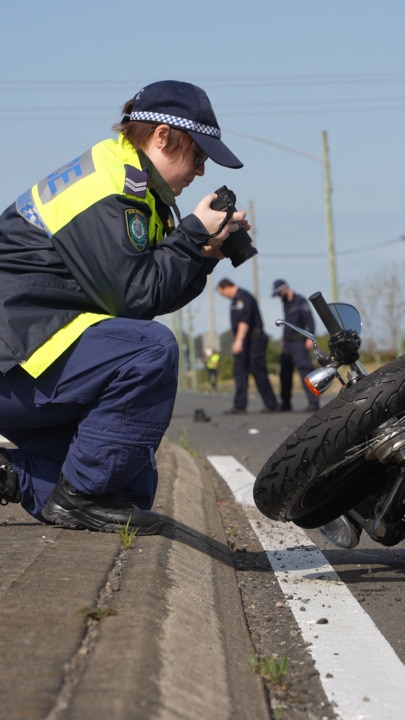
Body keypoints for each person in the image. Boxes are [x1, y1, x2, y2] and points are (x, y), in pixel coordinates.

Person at [0, 79, 248, 534]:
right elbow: (134, 300)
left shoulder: (137, 187)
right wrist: (192, 233)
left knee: (128, 484)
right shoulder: (109, 185)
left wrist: (203, 256)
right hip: (16, 360)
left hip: (32, 358)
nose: (200, 172)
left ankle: (11, 476)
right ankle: (75, 499)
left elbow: (151, 294)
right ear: (161, 137)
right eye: (198, 156)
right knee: (150, 351)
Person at [216, 279, 278, 414]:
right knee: (240, 371)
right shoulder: (235, 301)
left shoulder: (243, 297)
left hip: (253, 339)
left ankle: (271, 404)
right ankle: (240, 405)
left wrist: (238, 340)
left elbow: (245, 321)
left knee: (258, 370)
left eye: (222, 293)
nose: (223, 296)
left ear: (226, 287)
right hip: (245, 340)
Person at [271, 279, 319, 412]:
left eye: (279, 293)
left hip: (299, 341)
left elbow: (310, 320)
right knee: (284, 372)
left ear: (285, 288)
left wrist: (310, 337)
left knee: (305, 370)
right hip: (288, 342)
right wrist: (284, 339)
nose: (279, 296)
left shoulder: (300, 301)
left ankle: (313, 402)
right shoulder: (285, 302)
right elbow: (286, 323)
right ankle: (286, 402)